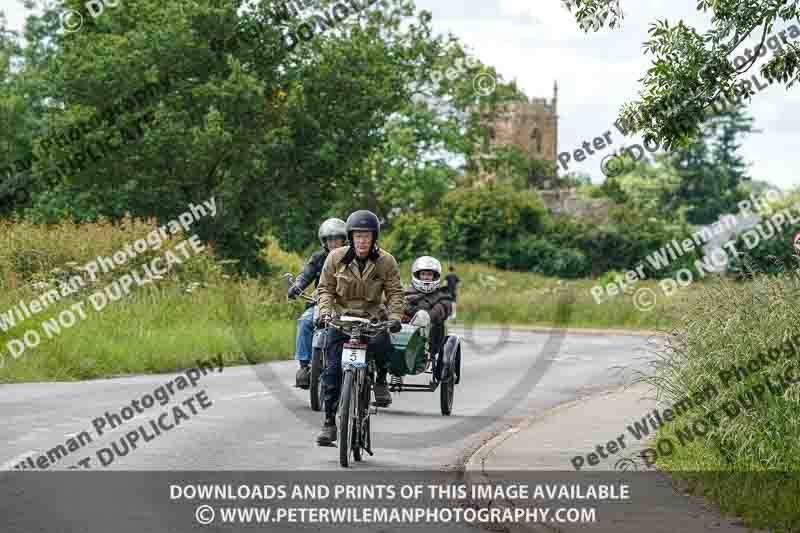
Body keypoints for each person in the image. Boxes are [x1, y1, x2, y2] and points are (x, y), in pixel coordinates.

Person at [314, 209, 405, 446]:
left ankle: (381, 380)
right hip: (341, 320)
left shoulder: (386, 261)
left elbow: (395, 292)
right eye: (357, 235)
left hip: (372, 320)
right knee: (332, 371)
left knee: (384, 344)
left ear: (374, 237)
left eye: (367, 235)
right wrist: (324, 313)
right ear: (350, 237)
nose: (362, 240)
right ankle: (329, 423)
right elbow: (325, 289)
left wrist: (394, 316)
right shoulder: (335, 258)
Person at [287, 218, 347, 388]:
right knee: (305, 321)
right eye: (329, 239)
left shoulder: (353, 257)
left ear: (344, 239)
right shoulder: (318, 258)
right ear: (324, 242)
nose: (333, 243)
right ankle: (305, 367)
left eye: (337, 239)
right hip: (320, 302)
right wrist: (297, 286)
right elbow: (306, 275)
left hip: (346, 305)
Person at [402, 256, 453, 357]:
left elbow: (441, 310)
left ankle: (422, 350)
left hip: (431, 335)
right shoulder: (407, 292)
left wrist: (422, 313)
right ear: (417, 275)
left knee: (422, 315)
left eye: (429, 274)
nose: (426, 277)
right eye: (423, 274)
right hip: (404, 331)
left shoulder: (442, 295)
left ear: (435, 276)